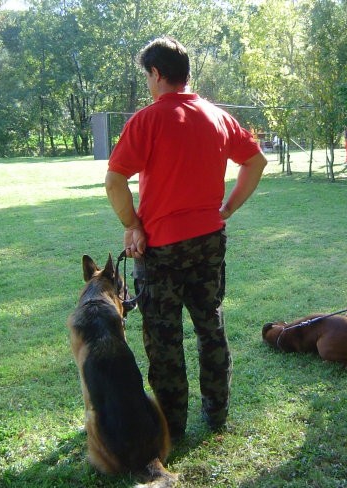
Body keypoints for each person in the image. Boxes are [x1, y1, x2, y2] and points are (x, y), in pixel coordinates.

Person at [105, 37, 267, 439]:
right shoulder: (217, 116)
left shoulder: (146, 120)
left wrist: (132, 225)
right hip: (209, 240)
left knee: (164, 338)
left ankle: (172, 425)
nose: (147, 82)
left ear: (156, 74)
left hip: (161, 249)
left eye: (147, 75)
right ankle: (217, 413)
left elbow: (114, 180)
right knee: (210, 326)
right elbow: (255, 160)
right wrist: (228, 208)